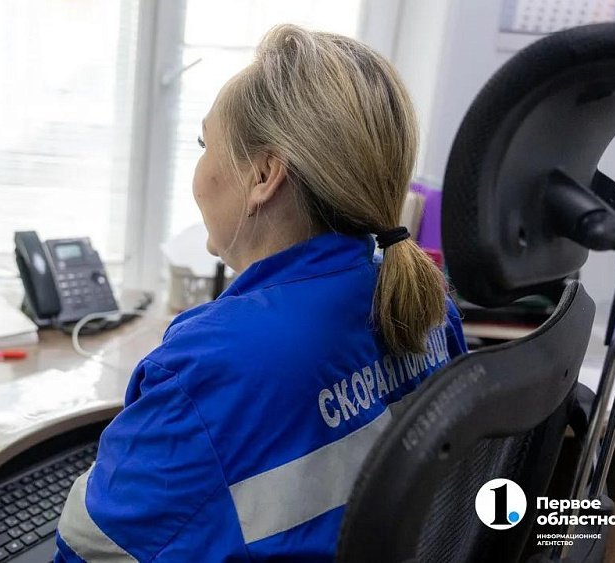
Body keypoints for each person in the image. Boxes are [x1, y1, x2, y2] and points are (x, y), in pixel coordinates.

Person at [55, 24, 466, 562]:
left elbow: (88, 548)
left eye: (204, 145)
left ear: (264, 175)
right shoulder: (427, 304)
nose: (198, 171)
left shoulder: (213, 364)